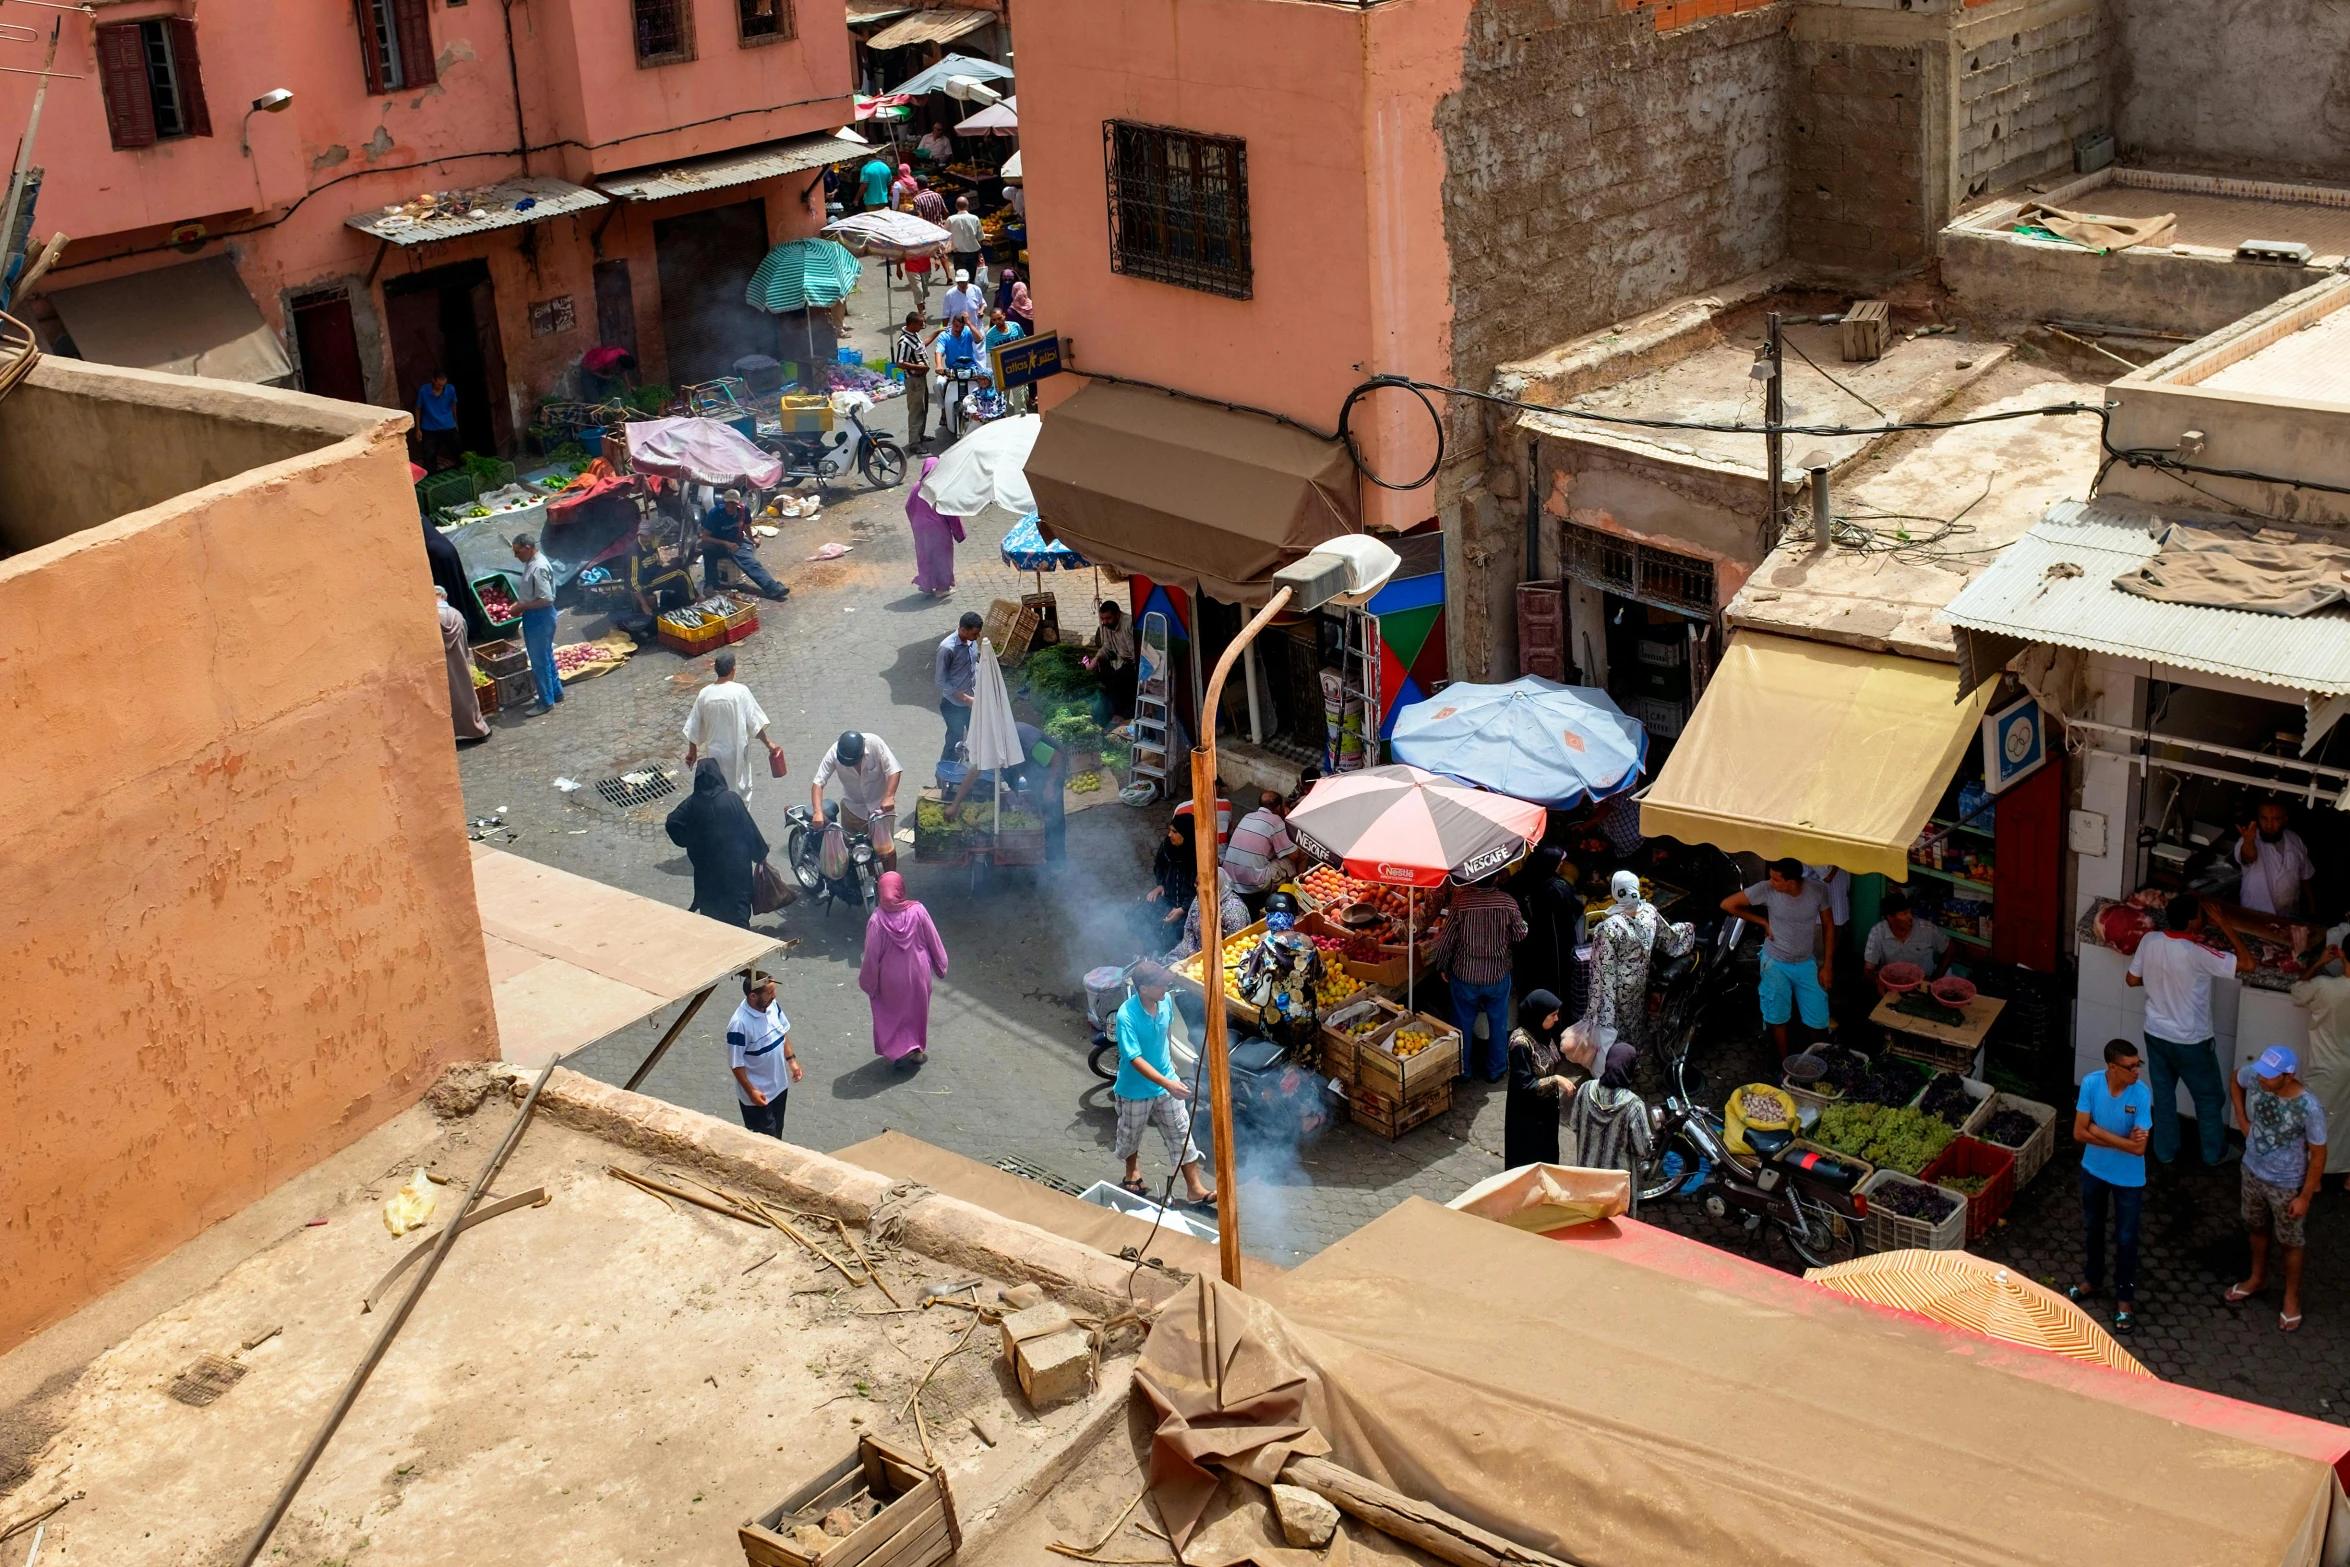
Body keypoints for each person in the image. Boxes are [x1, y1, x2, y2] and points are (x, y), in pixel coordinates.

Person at [2127, 893, 2254, 1166]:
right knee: (2209, 1098)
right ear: (2192, 921)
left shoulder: (2150, 941)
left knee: (2162, 1097)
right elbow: (2247, 963)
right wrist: (2225, 925)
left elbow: (2132, 979)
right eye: (2201, 915)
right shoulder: (2198, 953)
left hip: (2155, 1033)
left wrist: (2161, 985)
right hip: (2191, 1041)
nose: (2204, 919)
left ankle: (2164, 1151)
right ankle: (2214, 1153)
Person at [2227, 1045, 2328, 1332]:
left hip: (2286, 1185)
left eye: (2270, 1076)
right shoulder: (2257, 1077)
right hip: (2252, 1172)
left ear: (2288, 1075)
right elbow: (2236, 1077)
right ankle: (2257, 1278)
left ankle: (2291, 1297)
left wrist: (2305, 1196)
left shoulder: (2309, 1107)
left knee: (2290, 1242)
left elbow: (2318, 1156)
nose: (2261, 1080)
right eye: (2261, 1073)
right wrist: (2242, 1120)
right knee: (2256, 1227)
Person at [1111, 963, 1217, 1207]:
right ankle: (1132, 1173)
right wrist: (1168, 1083)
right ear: (1144, 988)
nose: (1166, 988)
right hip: (1135, 1090)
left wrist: (1168, 1057)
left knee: (1181, 1132)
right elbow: (1134, 1058)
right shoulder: (1126, 1016)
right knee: (1131, 1135)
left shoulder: (1166, 1001)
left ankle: (1194, 1189)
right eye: (1161, 985)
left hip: (1166, 1083)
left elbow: (1166, 1029)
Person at [2072, 1037, 2153, 1336]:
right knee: (2093, 1226)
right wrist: (2119, 1140)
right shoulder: (2092, 1084)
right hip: (2094, 1170)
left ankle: (2124, 1299)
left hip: (2129, 1180)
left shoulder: (2141, 1095)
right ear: (2112, 1067)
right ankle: (2092, 1279)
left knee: (2126, 1238)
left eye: (2138, 1065)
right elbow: (2079, 1132)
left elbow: (2138, 1150)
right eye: (2130, 1067)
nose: (2137, 1071)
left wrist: (2097, 1130)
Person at [1722, 858, 1835, 1057]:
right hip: (1774, 964)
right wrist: (1762, 922)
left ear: (1791, 882)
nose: (1770, 881)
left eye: (1775, 879)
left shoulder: (1818, 890)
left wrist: (1827, 966)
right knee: (1777, 1017)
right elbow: (1728, 905)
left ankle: (1820, 1059)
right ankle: (1784, 1062)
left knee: (1818, 1019)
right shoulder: (1766, 889)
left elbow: (1828, 926)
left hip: (1806, 963)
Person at [1427, 873, 1529, 1083]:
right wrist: (1507, 935)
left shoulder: (1460, 903)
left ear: (1472, 880)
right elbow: (1521, 934)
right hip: (1497, 975)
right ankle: (1496, 1069)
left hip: (1465, 975)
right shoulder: (1508, 902)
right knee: (1498, 1021)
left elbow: (1447, 941)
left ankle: (1463, 1070)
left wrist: (1443, 966)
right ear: (1495, 879)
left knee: (1462, 1022)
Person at [1587, 869, 1695, 1055]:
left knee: (1615, 1025)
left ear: (1615, 892)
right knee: (1635, 1021)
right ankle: (1632, 1058)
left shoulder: (1608, 928)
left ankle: (1615, 1062)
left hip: (1617, 986)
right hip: (1639, 981)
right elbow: (1669, 937)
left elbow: (1601, 969)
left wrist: (1597, 1004)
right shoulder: (1650, 913)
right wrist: (1688, 929)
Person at [665, 758, 771, 928]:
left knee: (712, 923)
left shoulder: (691, 804)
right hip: (737, 873)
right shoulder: (731, 799)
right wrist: (760, 856)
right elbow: (748, 828)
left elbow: (672, 822)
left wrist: (688, 840)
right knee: (739, 917)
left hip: (708, 877)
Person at [859, 871, 949, 1069]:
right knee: (917, 1012)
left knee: (893, 1013)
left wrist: (868, 981)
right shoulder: (918, 910)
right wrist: (940, 964)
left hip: (890, 979)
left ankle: (898, 1051)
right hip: (919, 973)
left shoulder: (877, 920)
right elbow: (933, 939)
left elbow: (872, 955)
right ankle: (917, 1052)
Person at [1559, 1043, 1654, 1212]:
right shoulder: (1634, 1105)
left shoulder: (1585, 1089)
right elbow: (1643, 1149)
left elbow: (1574, 1124)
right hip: (1615, 1186)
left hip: (1586, 1176)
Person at [1237, 891, 1327, 1068]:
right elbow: (1320, 974)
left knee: (1277, 1073)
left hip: (1276, 1023)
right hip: (1306, 1023)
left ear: (1270, 918)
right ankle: (1308, 1095)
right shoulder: (1307, 943)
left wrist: (1243, 964)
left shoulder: (1264, 946)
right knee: (1305, 1072)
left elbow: (1246, 987)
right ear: (1291, 917)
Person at [683, 650, 783, 801]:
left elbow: (694, 724)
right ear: (733, 670)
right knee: (741, 791)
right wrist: (768, 744)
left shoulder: (704, 694)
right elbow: (754, 722)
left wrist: (692, 751)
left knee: (719, 790)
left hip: (715, 754)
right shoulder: (740, 691)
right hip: (737, 752)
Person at [2292, 943, 2350, 1182]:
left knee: (2318, 1120)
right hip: (2347, 1066)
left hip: (2323, 1065)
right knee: (2345, 1120)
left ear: (2342, 954)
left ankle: (2314, 1180)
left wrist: (2317, 964)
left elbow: (2297, 991)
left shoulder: (2324, 987)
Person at [1511, 848, 1587, 1027]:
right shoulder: (1558, 887)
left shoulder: (1518, 880)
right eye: (1559, 861)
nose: (1561, 865)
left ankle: (1529, 1023)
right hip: (1554, 948)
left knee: (1528, 983)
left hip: (1525, 946)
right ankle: (1553, 1026)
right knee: (1554, 986)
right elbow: (1576, 908)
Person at [813, 729, 904, 872]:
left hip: (880, 810)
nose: (854, 767)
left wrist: (889, 796)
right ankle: (871, 878)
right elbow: (818, 783)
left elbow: (894, 770)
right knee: (859, 851)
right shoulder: (834, 753)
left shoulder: (875, 743)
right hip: (853, 810)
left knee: (887, 852)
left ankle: (891, 884)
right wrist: (817, 811)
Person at [726, 969, 801, 1137]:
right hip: (758, 1097)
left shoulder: (772, 1006)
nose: (775, 995)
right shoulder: (739, 1025)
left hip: (779, 1087)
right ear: (753, 996)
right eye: (770, 992)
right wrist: (751, 1092)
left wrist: (792, 1060)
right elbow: (736, 1064)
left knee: (777, 1133)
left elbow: (782, 1031)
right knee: (766, 1141)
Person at [1504, 990, 1569, 1169]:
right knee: (1529, 1162)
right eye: (1553, 1015)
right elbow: (1524, 1085)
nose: (1556, 1019)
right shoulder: (1520, 1044)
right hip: (1527, 1117)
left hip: (1546, 1113)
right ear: (1538, 1015)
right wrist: (1556, 1080)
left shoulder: (1543, 1034)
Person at [698, 488, 788, 601]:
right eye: (728, 503)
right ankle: (711, 584)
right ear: (724, 502)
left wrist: (752, 539)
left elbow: (746, 526)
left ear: (738, 503)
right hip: (718, 543)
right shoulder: (715, 513)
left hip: (736, 541)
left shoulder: (744, 510)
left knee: (751, 563)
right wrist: (725, 543)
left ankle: (773, 588)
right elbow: (705, 537)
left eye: (733, 503)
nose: (730, 506)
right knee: (708, 549)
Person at [1862, 889, 1954, 993]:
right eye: (1904, 913)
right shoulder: (1877, 932)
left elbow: (1950, 947)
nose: (1910, 917)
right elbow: (1868, 969)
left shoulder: (1927, 929)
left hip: (1923, 981)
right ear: (1890, 918)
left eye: (1910, 912)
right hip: (1893, 984)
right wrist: (1877, 981)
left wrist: (1936, 978)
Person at [510, 532, 562, 712]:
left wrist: (521, 607)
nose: (516, 556)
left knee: (539, 660)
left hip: (540, 616)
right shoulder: (531, 563)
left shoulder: (538, 567)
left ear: (527, 548)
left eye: (518, 552)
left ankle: (545, 702)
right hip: (538, 615)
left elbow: (546, 599)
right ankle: (556, 692)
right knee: (546, 655)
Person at [2234, 800, 2314, 917]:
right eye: (2264, 819)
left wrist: (2312, 906)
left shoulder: (2294, 839)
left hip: (2289, 915)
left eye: (2275, 819)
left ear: (2285, 820)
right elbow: (2248, 858)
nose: (2269, 825)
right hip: (2255, 914)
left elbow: (2305, 875)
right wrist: (2248, 841)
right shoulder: (2248, 840)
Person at [1220, 789, 1297, 904]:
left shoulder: (1247, 816)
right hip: (1255, 883)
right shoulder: (1275, 820)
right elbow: (1294, 855)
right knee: (1298, 856)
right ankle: (1298, 891)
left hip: (1230, 878)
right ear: (1279, 807)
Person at [421, 512, 489, 641]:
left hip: (439, 557)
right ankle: (470, 624)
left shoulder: (420, 532)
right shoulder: (422, 520)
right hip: (448, 552)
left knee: (448, 592)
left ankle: (460, 629)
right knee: (458, 588)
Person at [435, 588, 490, 742]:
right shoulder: (456, 615)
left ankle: (454, 732)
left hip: (443, 666)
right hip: (459, 663)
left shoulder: (432, 618)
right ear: (444, 596)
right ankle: (478, 729)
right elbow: (465, 641)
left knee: (450, 699)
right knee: (466, 694)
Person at [1139, 815, 1201, 948]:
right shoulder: (1167, 846)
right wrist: (1160, 884)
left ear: (1186, 834)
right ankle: (1149, 952)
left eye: (1174, 832)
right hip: (1169, 897)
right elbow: (1159, 863)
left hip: (1190, 906)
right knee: (1140, 919)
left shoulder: (1199, 855)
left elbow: (1200, 889)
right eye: (1170, 830)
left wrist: (1183, 909)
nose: (1169, 835)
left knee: (1173, 937)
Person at [906, 454, 963, 595]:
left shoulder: (916, 487)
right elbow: (950, 512)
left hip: (920, 529)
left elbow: (908, 507)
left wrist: (916, 524)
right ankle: (942, 588)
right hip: (938, 530)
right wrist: (959, 533)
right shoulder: (941, 488)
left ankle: (927, 584)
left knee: (925, 556)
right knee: (942, 557)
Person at [935, 610, 983, 762]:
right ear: (963, 630)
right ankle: (944, 775)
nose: (977, 637)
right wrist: (966, 698)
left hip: (972, 702)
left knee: (977, 737)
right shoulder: (947, 648)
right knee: (954, 740)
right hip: (953, 704)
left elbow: (974, 664)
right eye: (974, 634)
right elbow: (941, 681)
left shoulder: (972, 642)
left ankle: (974, 772)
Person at [1083, 600, 1137, 720]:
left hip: (1135, 663)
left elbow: (1136, 654)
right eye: (1102, 618)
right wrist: (1096, 659)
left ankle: (1121, 714)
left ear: (1118, 615)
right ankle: (1109, 708)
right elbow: (1107, 647)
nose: (1105, 622)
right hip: (1120, 660)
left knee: (1118, 678)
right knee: (1101, 670)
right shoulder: (1107, 626)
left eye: (1108, 618)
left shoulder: (1128, 624)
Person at [1174, 881, 1250, 962]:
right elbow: (1189, 929)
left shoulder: (1234, 910)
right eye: (1196, 883)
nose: (1197, 887)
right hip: (1192, 949)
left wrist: (1201, 961)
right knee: (1166, 967)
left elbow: (1232, 947)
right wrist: (1191, 952)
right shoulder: (1200, 897)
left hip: (1219, 959)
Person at [628, 526, 694, 618]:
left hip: (653, 575)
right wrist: (644, 605)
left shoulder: (651, 543)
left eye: (647, 535)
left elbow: (657, 562)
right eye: (642, 535)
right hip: (645, 585)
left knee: (679, 580)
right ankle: (696, 599)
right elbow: (633, 583)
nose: (644, 538)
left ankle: (686, 607)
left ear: (652, 535)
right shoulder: (634, 553)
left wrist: (666, 567)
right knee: (680, 571)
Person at [894, 312, 933, 451]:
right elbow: (900, 363)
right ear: (912, 324)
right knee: (916, 411)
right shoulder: (904, 341)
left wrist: (937, 333)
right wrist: (919, 367)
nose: (923, 325)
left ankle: (919, 436)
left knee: (923, 408)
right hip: (913, 380)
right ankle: (914, 443)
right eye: (920, 323)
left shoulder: (914, 335)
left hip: (921, 378)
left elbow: (921, 346)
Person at [414, 371, 460, 471]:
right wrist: (418, 429)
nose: (441, 387)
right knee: (429, 455)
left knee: (457, 452)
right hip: (429, 428)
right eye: (439, 385)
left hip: (448, 425)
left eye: (443, 385)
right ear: (433, 380)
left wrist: (455, 422)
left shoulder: (450, 389)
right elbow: (418, 408)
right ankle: (431, 476)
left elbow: (453, 405)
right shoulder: (424, 390)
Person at [946, 196, 985, 282]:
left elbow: (946, 237)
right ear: (968, 206)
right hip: (973, 254)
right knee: (971, 280)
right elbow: (980, 238)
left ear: (956, 206)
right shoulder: (975, 218)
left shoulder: (950, 220)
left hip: (958, 255)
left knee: (961, 281)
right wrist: (979, 253)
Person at [941, 272, 985, 340]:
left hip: (976, 328)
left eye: (964, 282)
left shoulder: (976, 290)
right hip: (958, 332)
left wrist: (981, 311)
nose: (962, 284)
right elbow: (945, 315)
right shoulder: (950, 294)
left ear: (968, 280)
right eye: (959, 282)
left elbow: (983, 304)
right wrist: (944, 333)